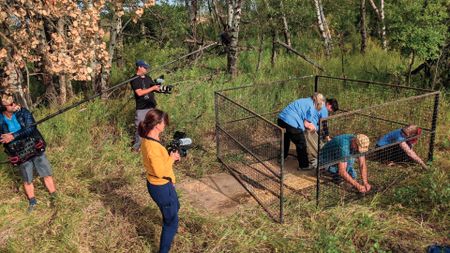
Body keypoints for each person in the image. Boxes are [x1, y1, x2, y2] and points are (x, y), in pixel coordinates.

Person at [0, 92, 57, 212]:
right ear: (3, 108)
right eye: (10, 104)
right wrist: (4, 138)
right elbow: (3, 138)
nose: (14, 105)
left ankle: (54, 196)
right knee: (27, 178)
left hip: (34, 145)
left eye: (13, 102)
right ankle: (32, 202)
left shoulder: (23, 112)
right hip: (18, 151)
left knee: (46, 172)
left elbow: (31, 128)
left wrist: (13, 136)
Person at [138, 109, 180, 253]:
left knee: (176, 205)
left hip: (164, 184)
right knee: (170, 221)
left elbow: (158, 163)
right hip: (160, 187)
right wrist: (172, 159)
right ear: (157, 125)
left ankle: (173, 228)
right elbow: (160, 171)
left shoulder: (148, 138)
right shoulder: (152, 147)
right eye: (164, 122)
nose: (165, 125)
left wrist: (169, 156)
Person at [277, 93, 339, 170]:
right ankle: (304, 165)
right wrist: (314, 128)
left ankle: (282, 157)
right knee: (301, 143)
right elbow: (307, 124)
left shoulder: (305, 100)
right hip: (291, 122)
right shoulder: (313, 107)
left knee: (286, 137)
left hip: (281, 119)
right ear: (318, 102)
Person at [130, 59, 161, 152]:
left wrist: (161, 89)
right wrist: (153, 88)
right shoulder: (134, 79)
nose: (146, 69)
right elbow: (139, 93)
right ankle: (136, 148)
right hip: (142, 108)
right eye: (144, 67)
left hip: (151, 106)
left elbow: (154, 88)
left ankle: (150, 146)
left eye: (147, 67)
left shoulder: (148, 78)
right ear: (139, 67)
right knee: (141, 128)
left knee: (153, 127)